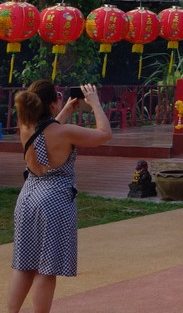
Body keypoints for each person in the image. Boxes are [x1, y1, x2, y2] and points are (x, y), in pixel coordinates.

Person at [9, 80, 111, 313]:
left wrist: (64, 110)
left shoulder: (25, 126)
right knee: (46, 268)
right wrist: (94, 103)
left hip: (27, 197)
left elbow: (45, 133)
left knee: (23, 264)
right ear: (52, 104)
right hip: (53, 199)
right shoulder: (64, 133)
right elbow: (104, 134)